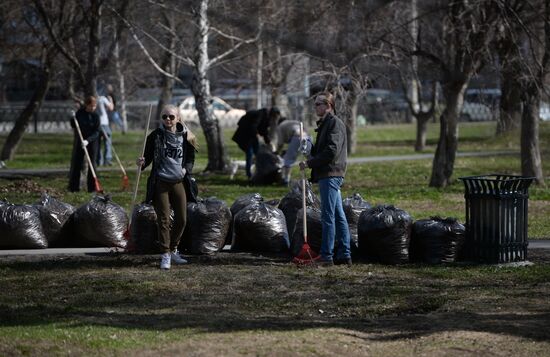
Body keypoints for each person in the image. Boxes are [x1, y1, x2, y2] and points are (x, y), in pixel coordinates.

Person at [136, 104, 197, 270]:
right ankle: (165, 254)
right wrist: (141, 163)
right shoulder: (155, 136)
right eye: (164, 117)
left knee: (182, 219)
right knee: (163, 219)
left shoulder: (187, 136)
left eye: (171, 117)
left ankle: (173, 248)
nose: (168, 120)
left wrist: (185, 170)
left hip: (179, 181)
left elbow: (191, 157)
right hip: (161, 181)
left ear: (178, 118)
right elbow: (147, 158)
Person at [300, 92, 352, 266]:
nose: (315, 108)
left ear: (328, 105)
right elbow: (324, 149)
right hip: (328, 174)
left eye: (318, 104)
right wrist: (309, 147)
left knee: (328, 217)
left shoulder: (334, 123)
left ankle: (327, 256)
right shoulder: (325, 124)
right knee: (338, 215)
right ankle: (344, 254)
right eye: (315, 104)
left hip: (331, 174)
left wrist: (309, 163)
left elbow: (331, 151)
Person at [232, 107, 281, 179]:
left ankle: (259, 172)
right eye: (275, 117)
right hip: (245, 135)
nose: (275, 119)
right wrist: (257, 135)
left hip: (252, 136)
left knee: (258, 154)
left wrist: (268, 142)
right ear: (272, 114)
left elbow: (264, 131)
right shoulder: (261, 114)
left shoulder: (267, 118)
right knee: (250, 154)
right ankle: (249, 174)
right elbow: (253, 126)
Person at [68, 96, 100, 192]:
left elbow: (97, 131)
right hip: (80, 141)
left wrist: (88, 140)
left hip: (92, 142)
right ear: (86, 105)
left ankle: (92, 188)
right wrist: (72, 118)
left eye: (94, 106)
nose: (93, 108)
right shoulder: (80, 113)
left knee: (92, 164)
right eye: (91, 106)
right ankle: (74, 187)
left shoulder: (96, 116)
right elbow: (74, 125)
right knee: (77, 163)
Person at [275, 118, 312, 185]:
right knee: (311, 158)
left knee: (288, 159)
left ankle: (286, 180)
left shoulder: (280, 126)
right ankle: (318, 176)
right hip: (307, 136)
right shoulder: (293, 122)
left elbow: (280, 143)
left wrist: (277, 151)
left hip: (297, 137)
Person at [97, 94, 114, 166]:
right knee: (107, 141)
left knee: (98, 143)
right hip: (104, 123)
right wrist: (111, 100)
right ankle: (107, 160)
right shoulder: (102, 98)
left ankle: (99, 160)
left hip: (96, 123)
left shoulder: (93, 98)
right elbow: (111, 108)